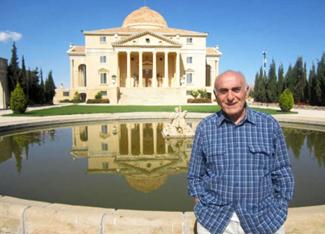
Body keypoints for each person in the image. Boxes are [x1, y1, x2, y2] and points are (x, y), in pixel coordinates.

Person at [187, 70, 294, 234]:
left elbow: (282, 171)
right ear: (216, 95)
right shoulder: (205, 128)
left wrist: (280, 205)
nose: (230, 97)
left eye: (236, 89)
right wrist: (201, 202)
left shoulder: (269, 125)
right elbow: (195, 175)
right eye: (223, 91)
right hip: (214, 221)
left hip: (264, 220)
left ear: (247, 91)